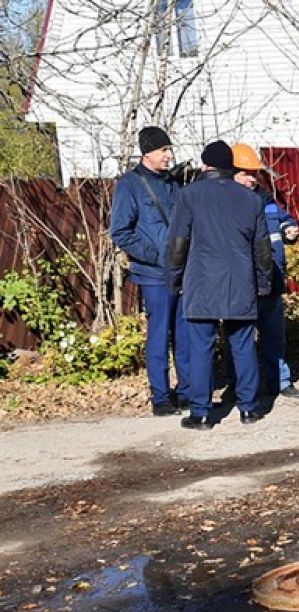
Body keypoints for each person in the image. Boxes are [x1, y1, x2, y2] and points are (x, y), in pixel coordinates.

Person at [165, 140, 274, 430]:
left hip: (201, 283)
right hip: (241, 283)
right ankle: (249, 409)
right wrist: (263, 283)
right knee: (242, 345)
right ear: (230, 167)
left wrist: (174, 278)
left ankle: (201, 413)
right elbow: (262, 248)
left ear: (205, 166)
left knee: (201, 348)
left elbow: (178, 242)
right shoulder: (252, 200)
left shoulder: (189, 196)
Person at [109, 125, 190, 416]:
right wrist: (157, 257)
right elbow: (120, 231)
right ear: (147, 153)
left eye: (170, 149)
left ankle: (185, 392)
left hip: (181, 271)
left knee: (184, 334)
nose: (169, 155)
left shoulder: (173, 183)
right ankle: (161, 397)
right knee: (159, 334)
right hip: (154, 275)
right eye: (164, 150)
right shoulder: (129, 185)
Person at [230, 142, 299, 400]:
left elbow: (285, 220)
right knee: (240, 340)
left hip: (272, 278)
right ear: (232, 173)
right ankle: (241, 389)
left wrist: (290, 230)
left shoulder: (266, 200)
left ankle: (280, 382)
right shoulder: (228, 205)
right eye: (245, 173)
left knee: (274, 335)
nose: (251, 179)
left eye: (254, 173)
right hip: (243, 283)